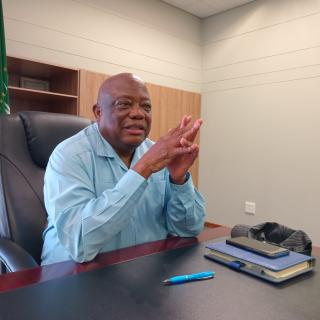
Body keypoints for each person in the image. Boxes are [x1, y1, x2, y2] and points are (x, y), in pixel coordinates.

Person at [41, 73, 205, 265]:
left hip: (143, 271)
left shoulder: (159, 154)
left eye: (146, 107)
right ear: (98, 112)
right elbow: (81, 244)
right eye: (124, 104)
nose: (138, 113)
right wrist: (144, 167)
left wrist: (178, 180)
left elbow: (188, 229)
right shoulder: (69, 155)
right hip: (74, 275)